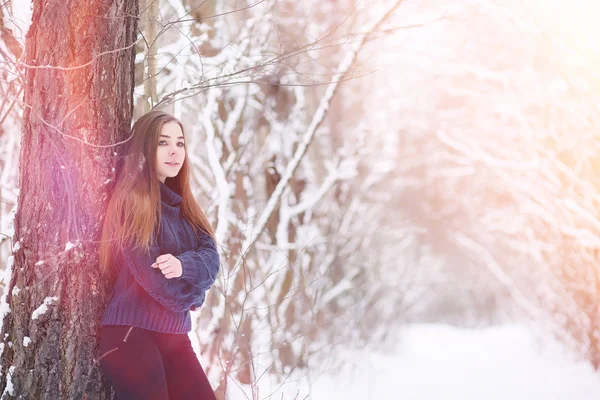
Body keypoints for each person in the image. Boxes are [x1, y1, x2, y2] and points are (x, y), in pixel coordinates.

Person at [95, 110, 220, 399]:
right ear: (145, 149)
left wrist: (183, 266)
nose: (174, 151)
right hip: (129, 335)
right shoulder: (132, 202)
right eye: (163, 143)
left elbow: (212, 261)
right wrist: (197, 294)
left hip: (174, 336)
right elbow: (157, 284)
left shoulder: (186, 209)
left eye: (180, 143)